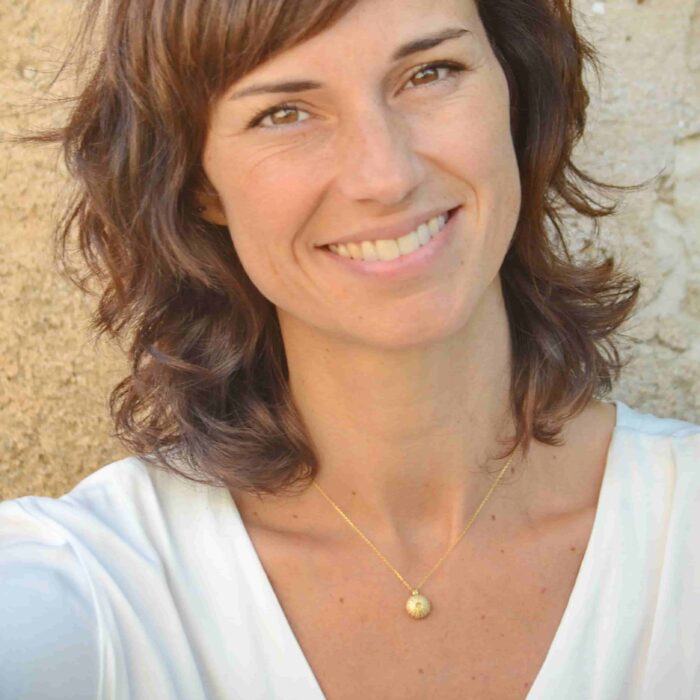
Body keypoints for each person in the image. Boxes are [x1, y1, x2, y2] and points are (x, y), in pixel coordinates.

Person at [1, 0, 698, 697]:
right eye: (284, 113)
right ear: (199, 184)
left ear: (515, 91)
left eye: (430, 72)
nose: (386, 176)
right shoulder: (94, 589)